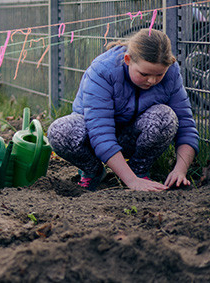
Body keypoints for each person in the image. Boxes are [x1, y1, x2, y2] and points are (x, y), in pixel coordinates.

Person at [48, 29, 199, 191]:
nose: (152, 80)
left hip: (134, 136)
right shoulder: (102, 71)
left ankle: (139, 171)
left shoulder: (171, 73)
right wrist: (130, 181)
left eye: (159, 75)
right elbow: (100, 132)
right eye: (144, 74)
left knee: (165, 117)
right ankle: (94, 171)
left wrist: (180, 171)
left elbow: (186, 126)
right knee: (60, 131)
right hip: (93, 138)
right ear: (128, 60)